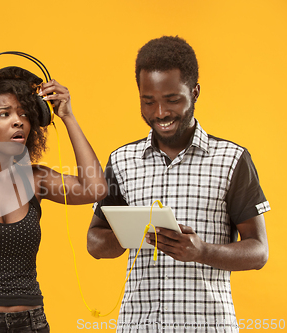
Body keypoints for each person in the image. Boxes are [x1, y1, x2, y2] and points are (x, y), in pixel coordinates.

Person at [87, 36, 269, 332]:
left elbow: (259, 252)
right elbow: (94, 243)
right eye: (148, 101)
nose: (160, 113)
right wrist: (128, 234)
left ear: (194, 92)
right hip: (138, 327)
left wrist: (203, 252)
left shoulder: (233, 160)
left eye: (172, 99)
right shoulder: (121, 161)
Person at [0, 66, 107, 333]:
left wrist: (68, 116)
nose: (19, 122)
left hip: (31, 323)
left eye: (25, 114)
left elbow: (95, 189)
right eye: (4, 114)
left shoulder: (35, 179)